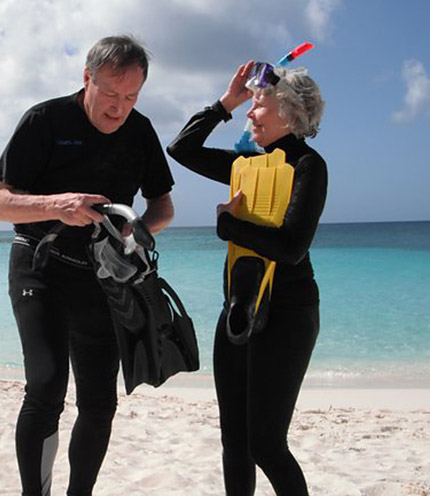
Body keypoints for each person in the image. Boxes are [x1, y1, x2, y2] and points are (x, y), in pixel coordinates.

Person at [0, 35, 174, 496]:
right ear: (87, 77)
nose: (119, 108)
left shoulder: (140, 130)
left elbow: (163, 206)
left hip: (103, 276)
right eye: (111, 93)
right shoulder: (45, 119)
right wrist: (58, 204)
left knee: (98, 403)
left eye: (131, 97)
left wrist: (138, 231)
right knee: (47, 386)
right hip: (40, 266)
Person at [167, 60, 327, 495]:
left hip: (289, 312)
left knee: (267, 444)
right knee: (234, 440)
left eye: (257, 104)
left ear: (289, 114)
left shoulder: (309, 167)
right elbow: (181, 149)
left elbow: (291, 247)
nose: (250, 114)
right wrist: (225, 103)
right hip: (238, 307)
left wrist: (229, 226)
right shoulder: (245, 165)